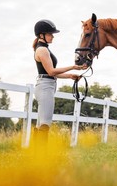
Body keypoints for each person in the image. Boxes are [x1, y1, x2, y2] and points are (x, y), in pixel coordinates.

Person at [32, 19, 86, 148]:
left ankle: (35, 154)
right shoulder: (42, 50)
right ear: (41, 35)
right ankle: (40, 155)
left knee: (41, 124)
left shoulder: (43, 49)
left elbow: (51, 73)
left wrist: (70, 76)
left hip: (46, 84)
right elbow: (51, 71)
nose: (53, 36)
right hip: (45, 86)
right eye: (50, 34)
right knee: (45, 124)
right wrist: (73, 67)